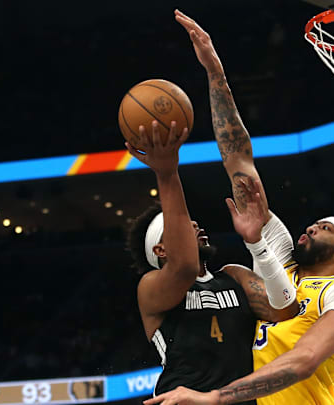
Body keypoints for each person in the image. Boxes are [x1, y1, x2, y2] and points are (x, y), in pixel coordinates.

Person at [143, 11, 334, 405]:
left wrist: (214, 397)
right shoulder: (280, 261)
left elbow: (302, 360)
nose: (313, 227)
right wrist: (215, 73)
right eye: (315, 223)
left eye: (328, 228)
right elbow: (239, 161)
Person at [125, 120, 299, 402]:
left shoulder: (234, 276)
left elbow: (285, 311)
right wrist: (167, 174)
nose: (195, 226)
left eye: (193, 223)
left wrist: (258, 246)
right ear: (160, 250)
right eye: (183, 228)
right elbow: (185, 267)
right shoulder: (151, 288)